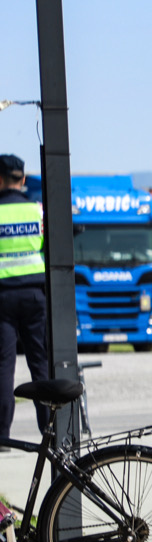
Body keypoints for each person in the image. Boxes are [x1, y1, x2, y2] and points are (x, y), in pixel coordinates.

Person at [0, 155, 50, 442]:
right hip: (34, 295)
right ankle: (49, 432)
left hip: (2, 297)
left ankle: (2, 436)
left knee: (3, 366)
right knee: (40, 364)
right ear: (22, 179)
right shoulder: (37, 211)